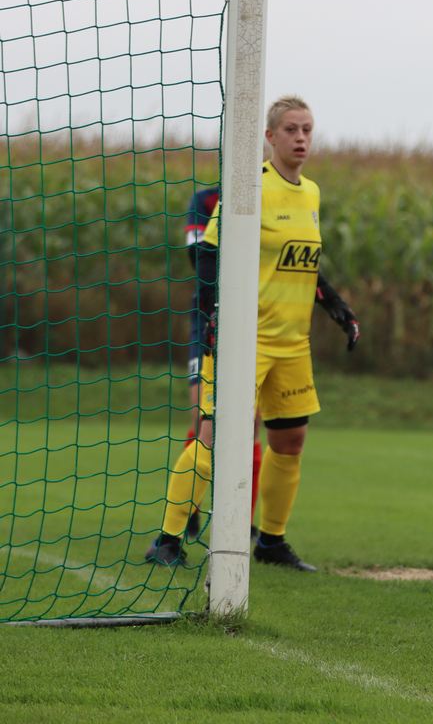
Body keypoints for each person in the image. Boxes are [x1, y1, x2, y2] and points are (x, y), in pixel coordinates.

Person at [146, 95, 360, 571]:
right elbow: (208, 255)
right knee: (213, 434)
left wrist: (339, 309)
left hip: (292, 345)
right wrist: (210, 322)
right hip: (245, 340)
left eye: (307, 128)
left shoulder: (312, 193)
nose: (301, 137)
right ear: (269, 137)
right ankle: (167, 539)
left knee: (291, 441)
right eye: (291, 129)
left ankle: (271, 542)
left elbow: (304, 265)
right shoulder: (247, 188)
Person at [181, 184, 263, 541]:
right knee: (204, 416)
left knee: (252, 421)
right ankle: (187, 514)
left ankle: (241, 520)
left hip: (258, 318)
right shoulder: (206, 199)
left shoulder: (273, 192)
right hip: (209, 316)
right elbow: (197, 255)